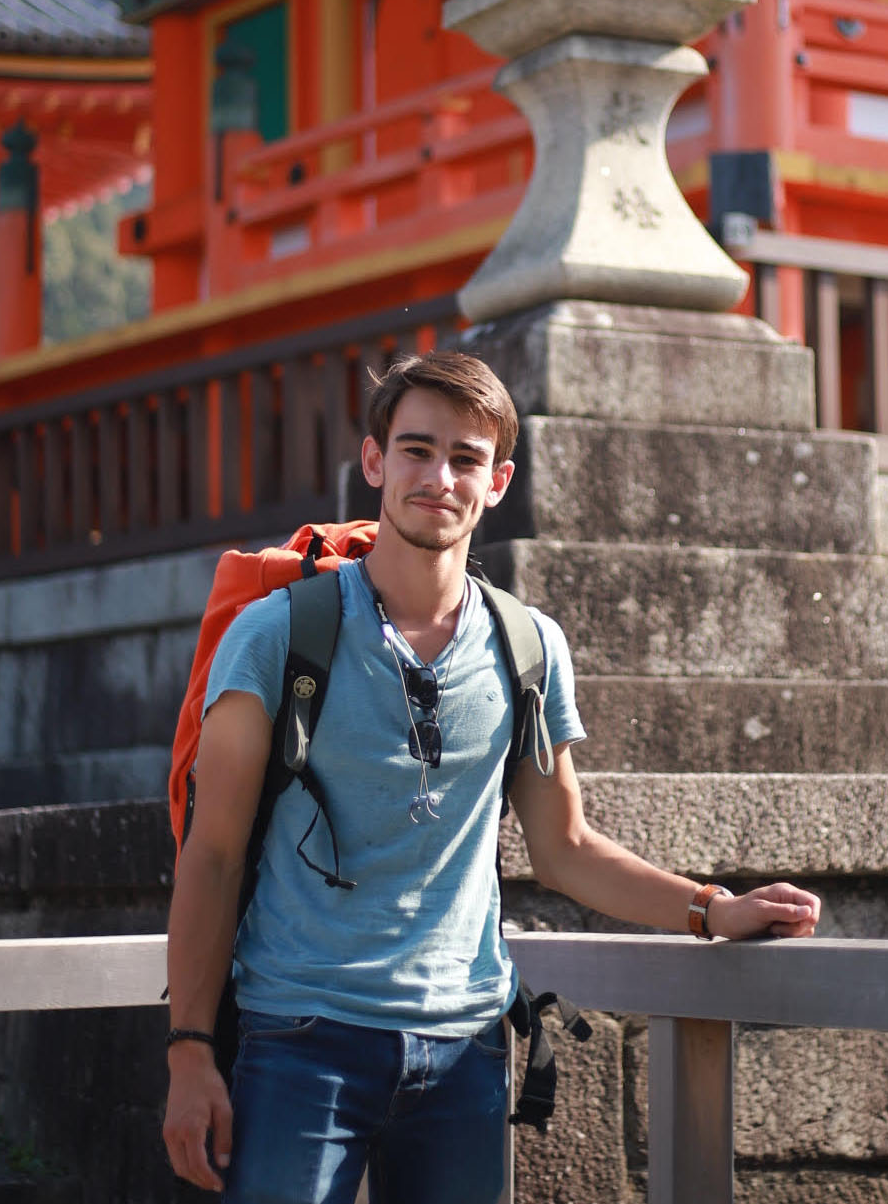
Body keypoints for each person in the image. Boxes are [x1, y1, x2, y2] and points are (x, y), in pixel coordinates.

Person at [163, 350, 821, 1204]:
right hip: (300, 1036)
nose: (439, 476)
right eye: (416, 449)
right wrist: (188, 1052)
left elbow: (567, 847)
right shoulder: (275, 635)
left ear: (498, 480)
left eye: (466, 457)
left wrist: (712, 909)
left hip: (465, 1048)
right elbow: (210, 856)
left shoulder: (528, 645)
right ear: (374, 462)